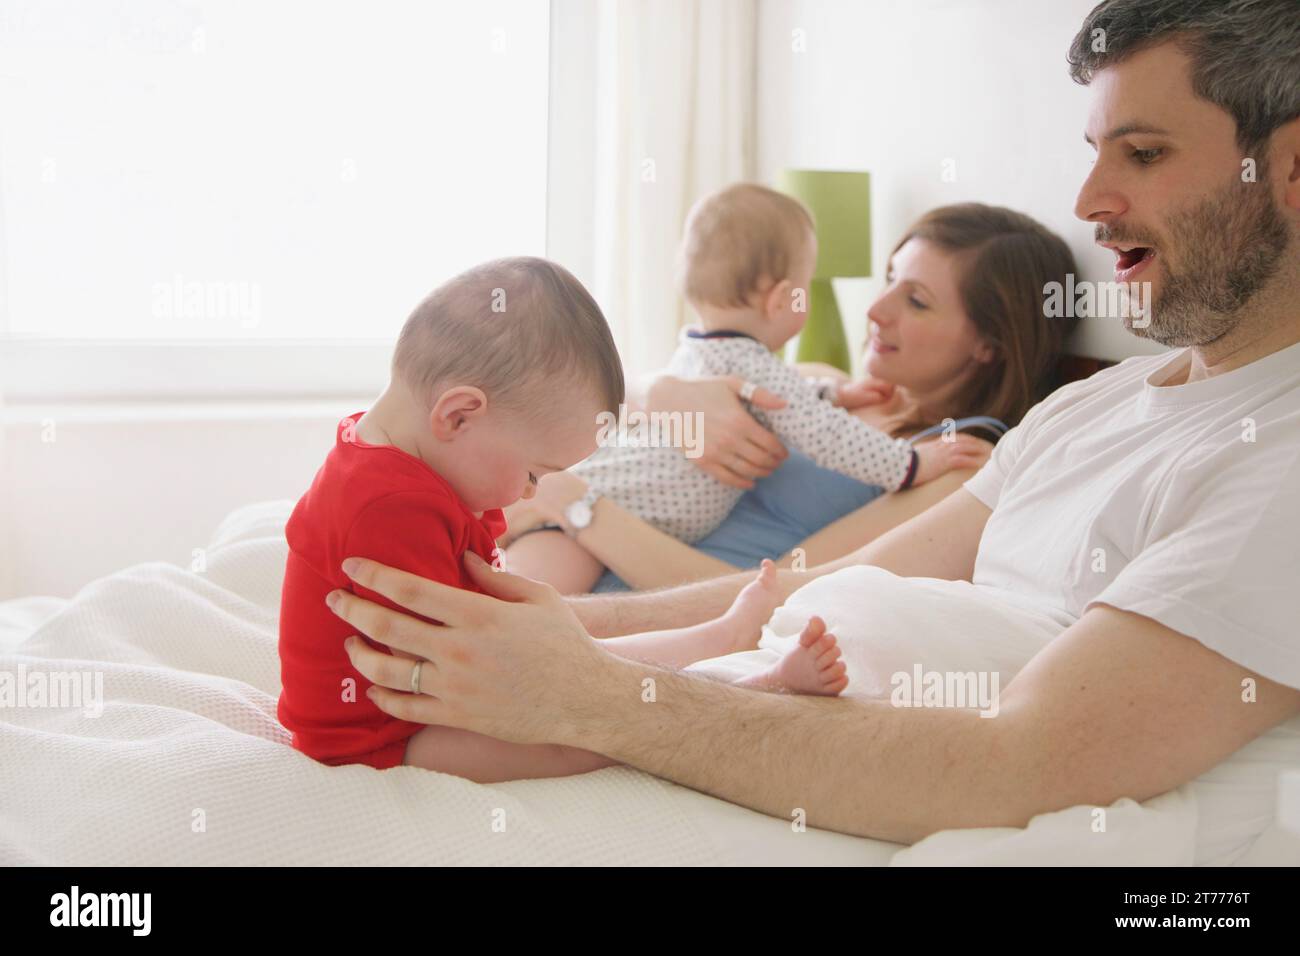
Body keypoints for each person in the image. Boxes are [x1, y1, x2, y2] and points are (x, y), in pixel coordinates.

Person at [332, 0, 1300, 861]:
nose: (1089, 200)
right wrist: (533, 632)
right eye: (1092, 153)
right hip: (760, 675)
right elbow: (808, 586)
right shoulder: (1089, 406)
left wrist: (581, 689)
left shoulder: (1279, 461)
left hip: (813, 742)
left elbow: (1021, 757)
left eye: (1142, 153)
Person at [507, 202, 1080, 591]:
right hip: (569, 541)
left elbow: (765, 595)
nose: (877, 310)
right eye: (887, 280)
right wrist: (665, 391)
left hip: (649, 609)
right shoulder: (813, 383)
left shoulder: (955, 470)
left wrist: (569, 500)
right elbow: (614, 400)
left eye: (918, 300)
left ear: (989, 343)